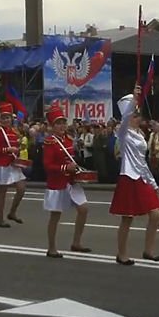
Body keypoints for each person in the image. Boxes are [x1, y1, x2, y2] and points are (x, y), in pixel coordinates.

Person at [109, 87, 159, 265]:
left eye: (138, 114)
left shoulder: (140, 134)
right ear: (129, 115)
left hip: (141, 177)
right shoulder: (122, 133)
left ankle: (148, 250)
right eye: (135, 114)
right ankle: (121, 254)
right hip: (128, 177)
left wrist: (153, 183)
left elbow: (142, 161)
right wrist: (135, 98)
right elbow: (124, 120)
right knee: (127, 218)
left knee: (156, 214)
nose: (139, 117)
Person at [43, 106, 90, 258]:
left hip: (71, 181)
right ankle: (51, 248)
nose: (62, 126)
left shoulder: (68, 140)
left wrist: (77, 167)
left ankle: (76, 242)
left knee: (83, 209)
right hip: (57, 182)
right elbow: (48, 165)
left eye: (63, 122)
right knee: (55, 216)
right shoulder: (50, 142)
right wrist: (66, 167)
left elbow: (71, 159)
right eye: (58, 123)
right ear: (52, 126)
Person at [0, 102, 26, 228]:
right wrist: (7, 150)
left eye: (8, 117)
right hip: (2, 165)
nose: (6, 120)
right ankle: (0, 219)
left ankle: (12, 212)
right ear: (0, 119)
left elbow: (15, 147)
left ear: (11, 118)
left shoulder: (14, 132)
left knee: (21, 189)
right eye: (3, 117)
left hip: (13, 164)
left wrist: (18, 149)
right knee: (2, 192)